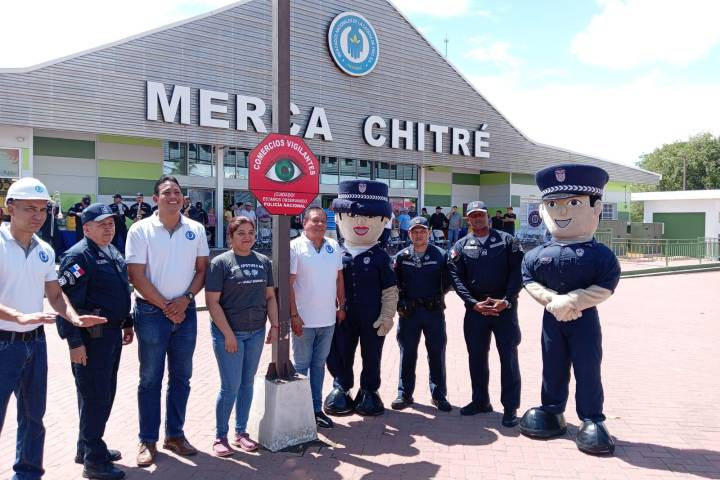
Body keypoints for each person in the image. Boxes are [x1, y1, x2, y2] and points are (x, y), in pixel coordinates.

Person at [0, 177, 105, 480]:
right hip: (3, 343)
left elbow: (56, 296)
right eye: (29, 208)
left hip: (35, 343)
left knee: (34, 417)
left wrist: (73, 318)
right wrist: (17, 316)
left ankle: (28, 474)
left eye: (43, 209)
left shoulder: (45, 249)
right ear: (10, 207)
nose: (38, 215)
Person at [519, 164, 621, 455]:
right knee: (552, 364)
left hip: (584, 319)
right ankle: (552, 409)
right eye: (553, 205)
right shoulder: (537, 254)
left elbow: (607, 283)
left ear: (596, 208)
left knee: (587, 367)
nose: (562, 211)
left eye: (573, 203)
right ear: (544, 209)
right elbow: (528, 279)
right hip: (552, 318)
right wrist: (553, 301)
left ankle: (591, 418)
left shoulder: (600, 255)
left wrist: (572, 301)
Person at [125, 176, 209, 467]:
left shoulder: (196, 229)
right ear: (155, 198)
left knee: (182, 377)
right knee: (150, 379)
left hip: (185, 313)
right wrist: (167, 306)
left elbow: (202, 270)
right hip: (151, 313)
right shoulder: (140, 230)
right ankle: (147, 439)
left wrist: (185, 300)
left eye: (177, 192)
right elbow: (136, 276)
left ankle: (175, 435)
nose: (173, 196)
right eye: (166, 192)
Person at [56, 203, 134, 480]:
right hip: (91, 339)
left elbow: (119, 290)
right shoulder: (78, 257)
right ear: (86, 228)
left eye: (111, 223)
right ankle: (94, 461)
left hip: (110, 334)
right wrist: (74, 343)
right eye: (101, 224)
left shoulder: (111, 250)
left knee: (102, 392)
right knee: (95, 396)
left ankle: (87, 446)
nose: (108, 228)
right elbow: (64, 303)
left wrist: (127, 321)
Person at [205, 216, 278, 457]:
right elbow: (212, 302)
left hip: (255, 332)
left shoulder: (263, 262)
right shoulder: (220, 263)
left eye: (251, 233)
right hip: (229, 333)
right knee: (230, 387)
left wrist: (274, 325)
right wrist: (228, 334)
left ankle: (241, 432)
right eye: (241, 233)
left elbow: (270, 297)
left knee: (247, 384)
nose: (247, 237)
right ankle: (220, 436)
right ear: (231, 237)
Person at [324, 180, 398, 417]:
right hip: (343, 317)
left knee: (372, 354)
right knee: (341, 352)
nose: (361, 222)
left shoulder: (381, 258)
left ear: (383, 221)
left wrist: (387, 315)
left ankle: (369, 389)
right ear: (339, 219)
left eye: (370, 216)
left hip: (372, 317)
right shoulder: (335, 254)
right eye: (353, 216)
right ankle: (341, 386)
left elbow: (390, 290)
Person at [448, 200, 524, 428]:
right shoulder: (461, 246)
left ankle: (510, 408)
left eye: (480, 214)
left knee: (508, 358)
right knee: (476, 357)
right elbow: (456, 278)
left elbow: (518, 272)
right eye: (473, 215)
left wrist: (507, 300)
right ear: (468, 220)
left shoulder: (507, 241)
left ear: (487, 217)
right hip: (476, 310)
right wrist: (473, 303)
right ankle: (480, 401)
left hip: (504, 309)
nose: (477, 218)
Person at [289, 207, 345, 429]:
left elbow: (339, 278)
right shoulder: (294, 247)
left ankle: (315, 410)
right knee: (301, 367)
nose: (320, 224)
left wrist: (342, 305)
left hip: (327, 320)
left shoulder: (333, 246)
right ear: (304, 223)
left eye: (323, 221)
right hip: (303, 320)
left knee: (319, 366)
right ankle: (298, 413)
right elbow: (288, 284)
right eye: (315, 220)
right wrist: (294, 314)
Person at [391, 216, 452, 412]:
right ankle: (404, 394)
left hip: (433, 312)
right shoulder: (401, 257)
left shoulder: (440, 255)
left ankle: (439, 395)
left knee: (436, 352)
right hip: (409, 314)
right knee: (407, 353)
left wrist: (436, 297)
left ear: (429, 232)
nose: (419, 235)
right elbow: (394, 283)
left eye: (422, 231)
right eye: (414, 231)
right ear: (409, 234)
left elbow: (448, 281)